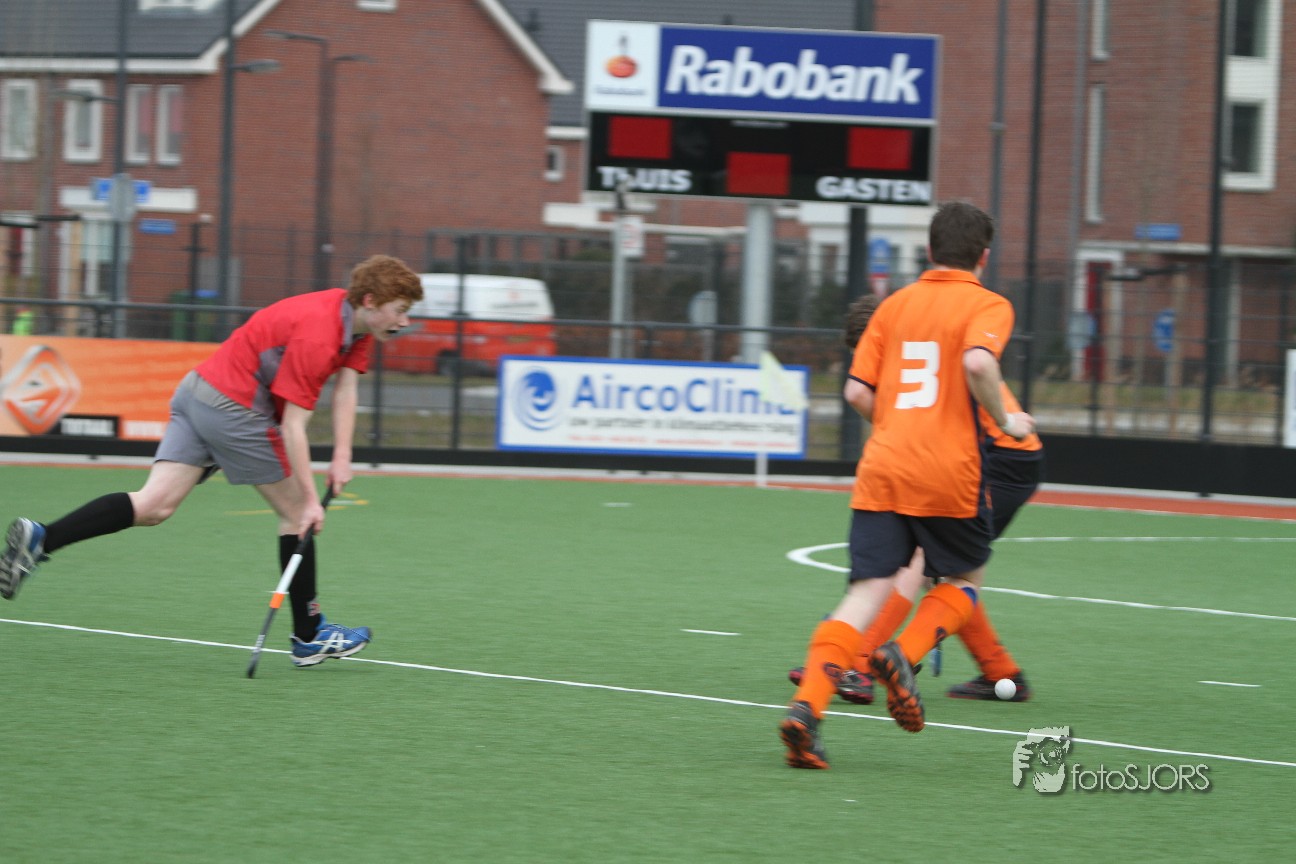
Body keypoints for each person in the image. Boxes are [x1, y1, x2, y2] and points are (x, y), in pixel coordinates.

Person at [0, 254, 424, 668]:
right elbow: (294, 425)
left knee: (153, 506)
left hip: (198, 391)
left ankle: (43, 538)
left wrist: (343, 456)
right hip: (234, 407)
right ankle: (309, 635)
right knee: (298, 515)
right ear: (370, 301)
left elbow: (347, 389)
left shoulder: (356, 326)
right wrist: (312, 500)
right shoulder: (320, 335)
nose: (404, 321)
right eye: (400, 310)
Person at [780, 201, 1035, 769]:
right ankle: (903, 653)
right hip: (949, 470)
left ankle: (807, 711)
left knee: (864, 592)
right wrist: (1009, 420)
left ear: (928, 249)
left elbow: (855, 392)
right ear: (984, 256)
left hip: (883, 466)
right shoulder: (988, 303)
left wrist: (897, 426)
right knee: (963, 580)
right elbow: (978, 364)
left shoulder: (892, 305)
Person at [787, 293, 1043, 704]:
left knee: (921, 563)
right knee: (953, 570)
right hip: (983, 455)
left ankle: (861, 663)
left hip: (1002, 457)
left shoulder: (911, 351)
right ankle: (1000, 673)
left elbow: (866, 397)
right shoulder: (923, 338)